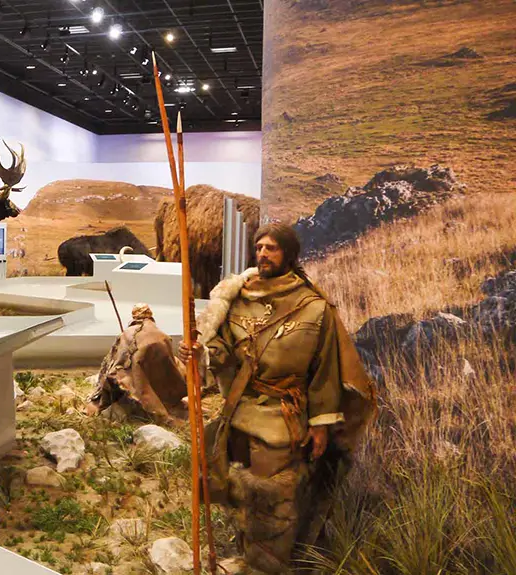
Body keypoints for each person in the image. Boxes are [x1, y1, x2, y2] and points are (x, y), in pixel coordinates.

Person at [180, 223, 375, 574]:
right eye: (259, 247)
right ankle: (246, 557)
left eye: (271, 248)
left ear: (289, 254)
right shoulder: (240, 298)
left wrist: (320, 426)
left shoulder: (313, 307)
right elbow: (224, 349)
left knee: (274, 503)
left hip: (282, 418)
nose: (263, 254)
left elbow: (325, 371)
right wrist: (201, 352)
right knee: (239, 493)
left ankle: (266, 567)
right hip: (239, 412)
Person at [87, 303, 187, 428]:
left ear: (134, 316)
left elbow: (117, 359)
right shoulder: (162, 334)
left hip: (136, 377)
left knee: (117, 376)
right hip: (156, 376)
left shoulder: (128, 333)